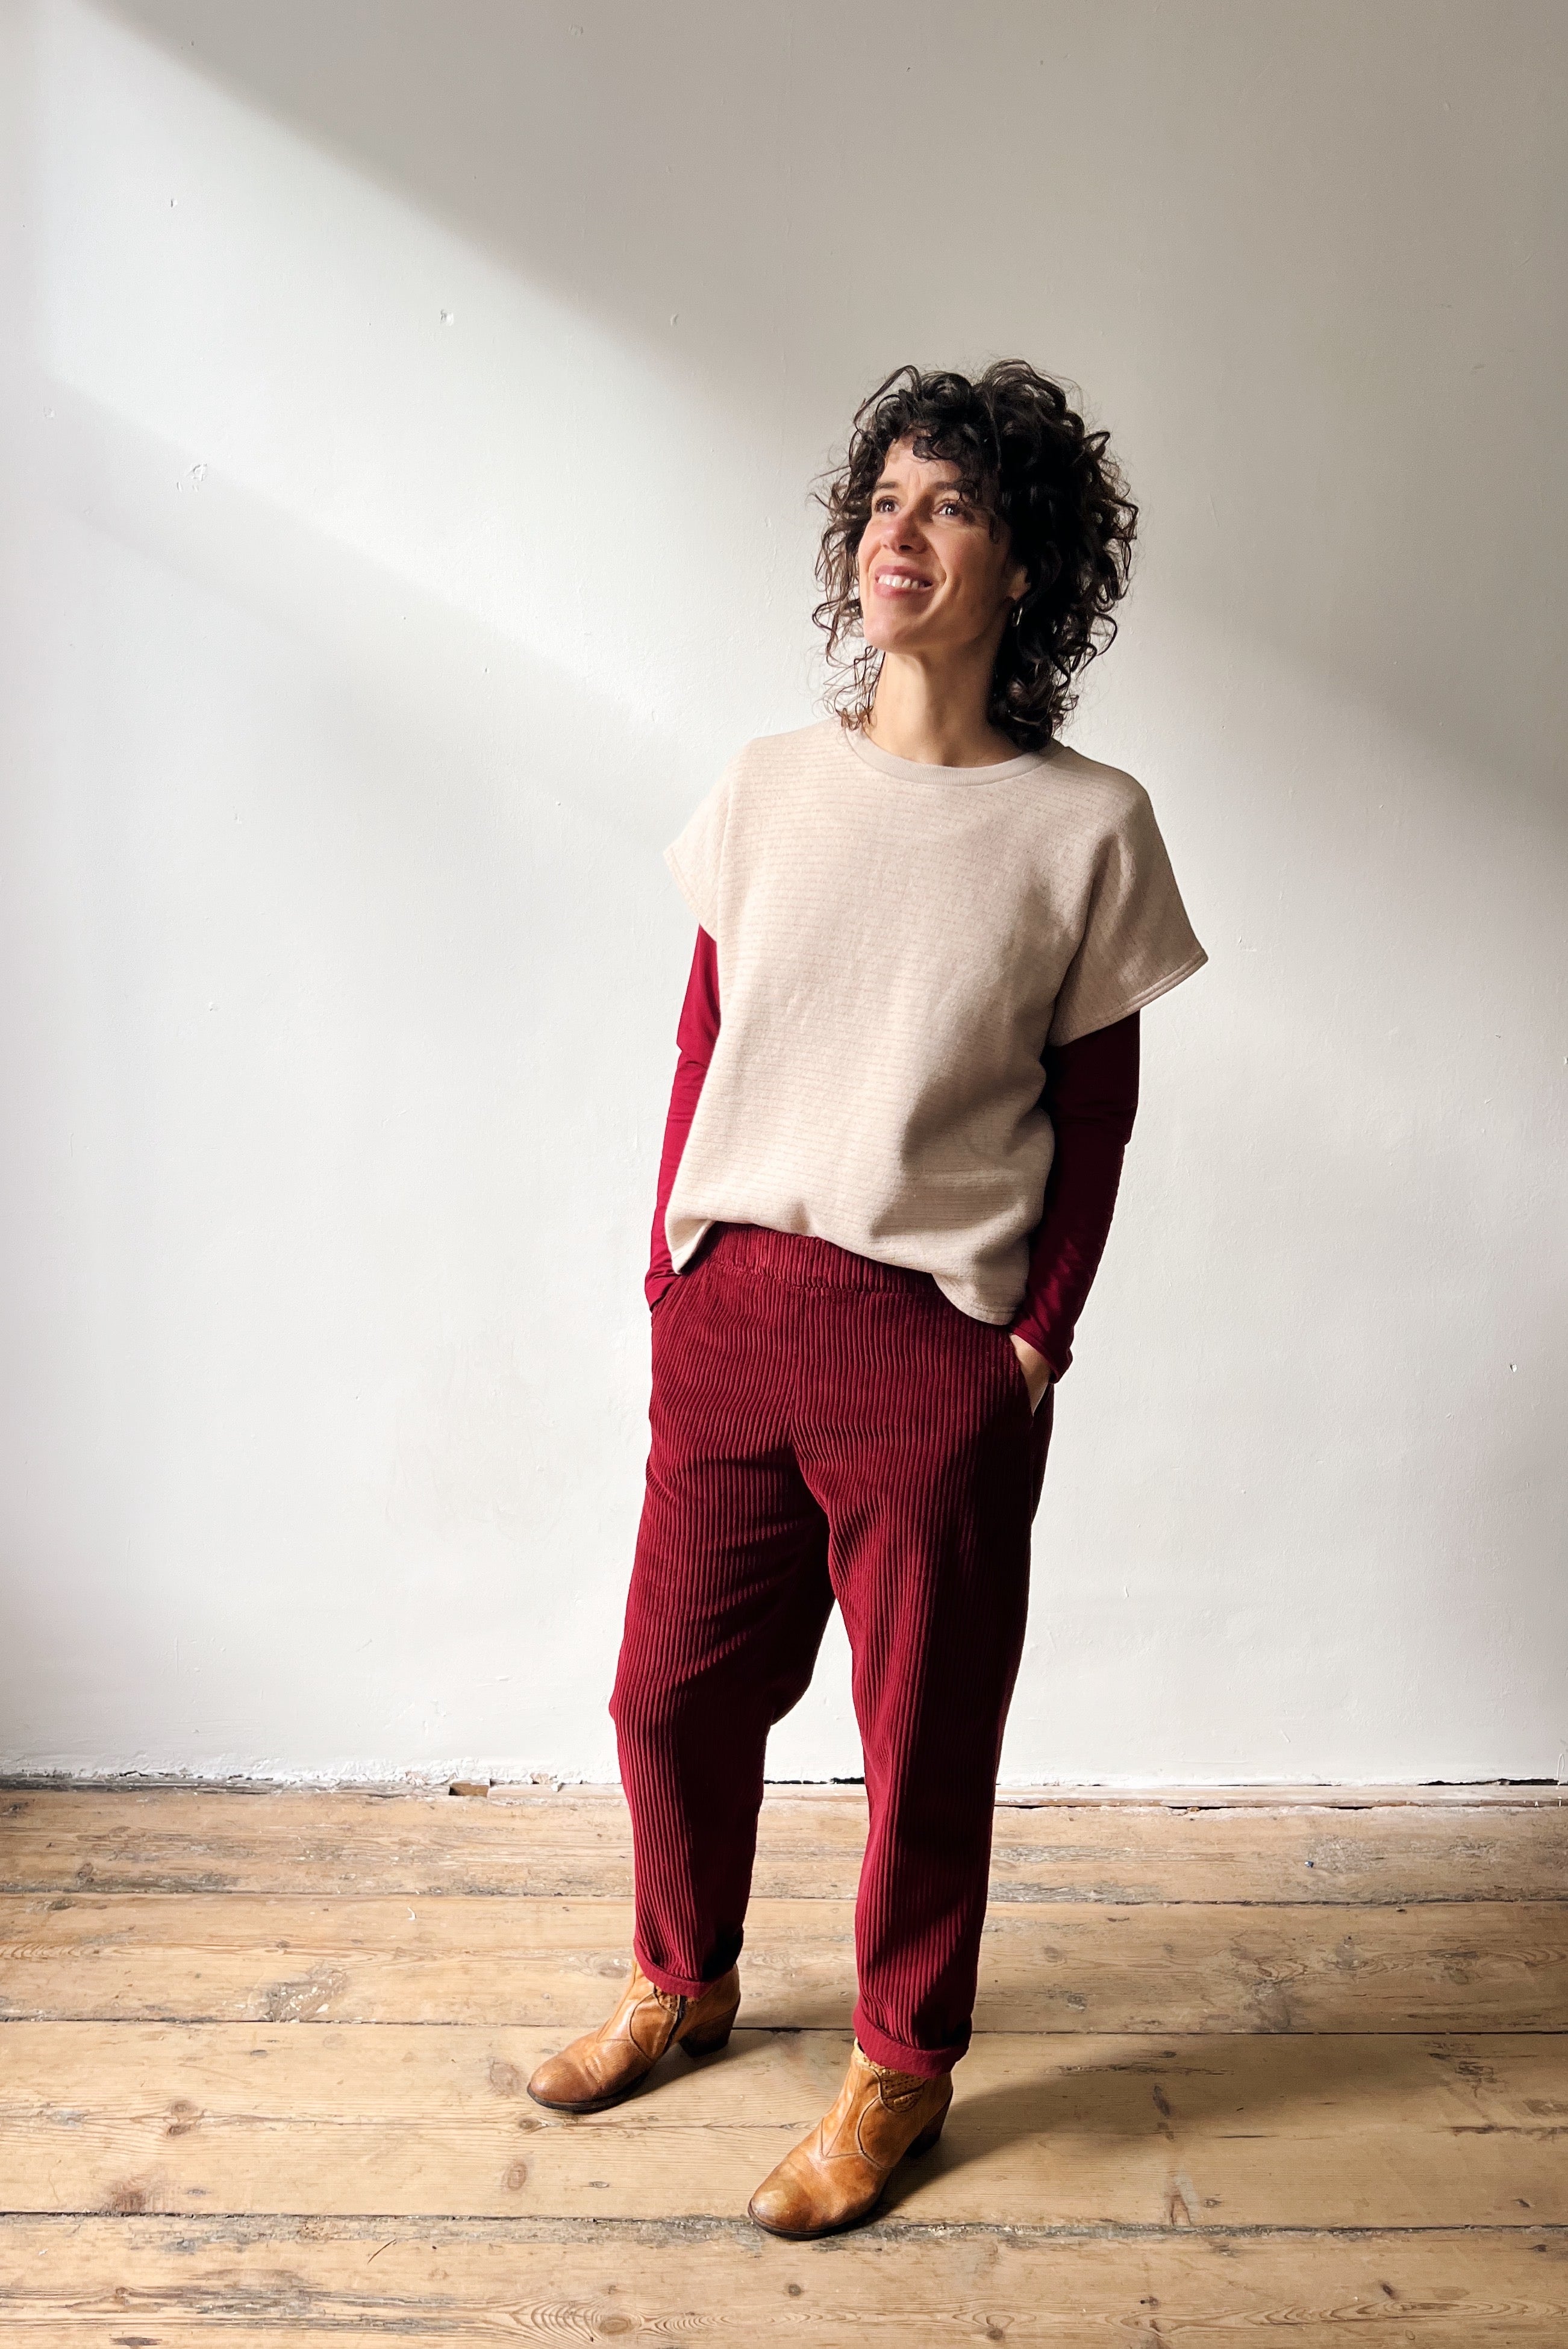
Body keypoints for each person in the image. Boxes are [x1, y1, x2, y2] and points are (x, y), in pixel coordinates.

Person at [526, 361, 1207, 2238]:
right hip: (731, 1302)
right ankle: (685, 1975)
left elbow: (1097, 1111)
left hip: (931, 1340)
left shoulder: (1086, 826)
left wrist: (1031, 1340)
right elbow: (702, 1035)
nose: (898, 532)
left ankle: (899, 2068)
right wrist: (670, 1255)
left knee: (923, 1738)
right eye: (883, 500)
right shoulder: (762, 788)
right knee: (667, 1694)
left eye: (951, 506)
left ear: (1024, 568)